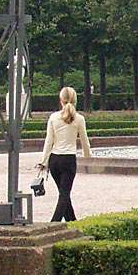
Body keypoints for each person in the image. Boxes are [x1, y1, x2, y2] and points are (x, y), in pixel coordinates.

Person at [38, 86, 93, 222]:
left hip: (54, 161)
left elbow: (49, 141)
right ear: (75, 101)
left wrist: (43, 161)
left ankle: (72, 221)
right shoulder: (79, 119)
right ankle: (53, 224)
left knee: (64, 194)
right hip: (68, 160)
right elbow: (85, 141)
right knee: (64, 195)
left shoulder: (53, 117)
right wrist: (88, 157)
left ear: (60, 100)